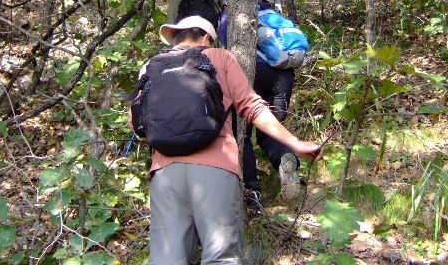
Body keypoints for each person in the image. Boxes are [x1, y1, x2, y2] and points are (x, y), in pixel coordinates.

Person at [131, 16, 321, 264]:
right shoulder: (220, 57)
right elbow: (252, 107)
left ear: (177, 37)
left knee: (166, 260)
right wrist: (295, 143)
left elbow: (136, 123)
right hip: (216, 167)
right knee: (222, 258)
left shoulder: (150, 66)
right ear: (207, 38)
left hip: (165, 174)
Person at [243, 0, 303, 208]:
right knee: (271, 129)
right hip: (284, 76)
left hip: (257, 72)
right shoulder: (281, 20)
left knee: (244, 133)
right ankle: (285, 158)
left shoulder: (245, 16)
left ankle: (251, 189)